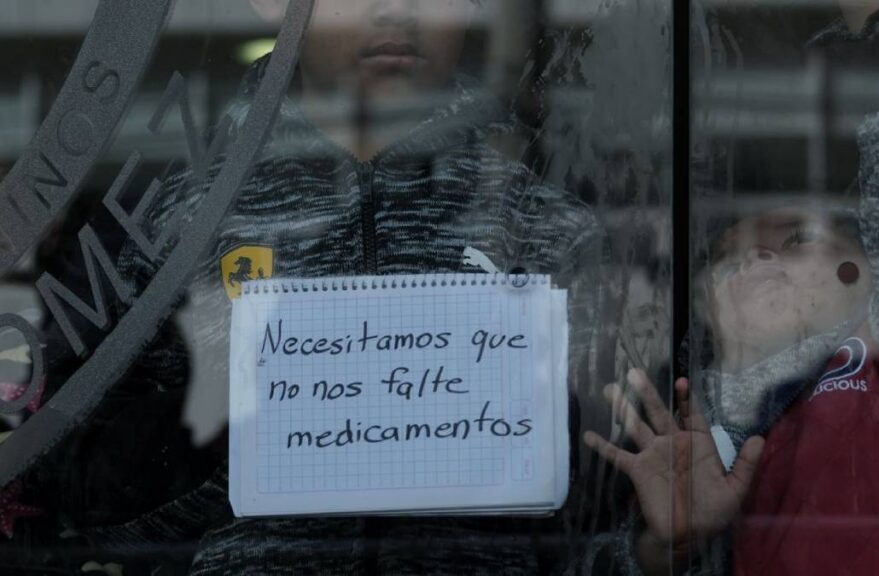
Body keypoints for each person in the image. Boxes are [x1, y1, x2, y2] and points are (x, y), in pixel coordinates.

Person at [51, 1, 617, 574]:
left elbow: (611, 511)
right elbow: (75, 496)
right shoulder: (170, 217)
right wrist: (223, 418)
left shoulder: (545, 218)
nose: (396, 7)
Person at [585, 5, 879, 575]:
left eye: (796, 239)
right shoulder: (697, 434)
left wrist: (878, 61)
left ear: (869, 267)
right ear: (707, 317)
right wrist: (666, 548)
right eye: (728, 261)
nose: (759, 255)